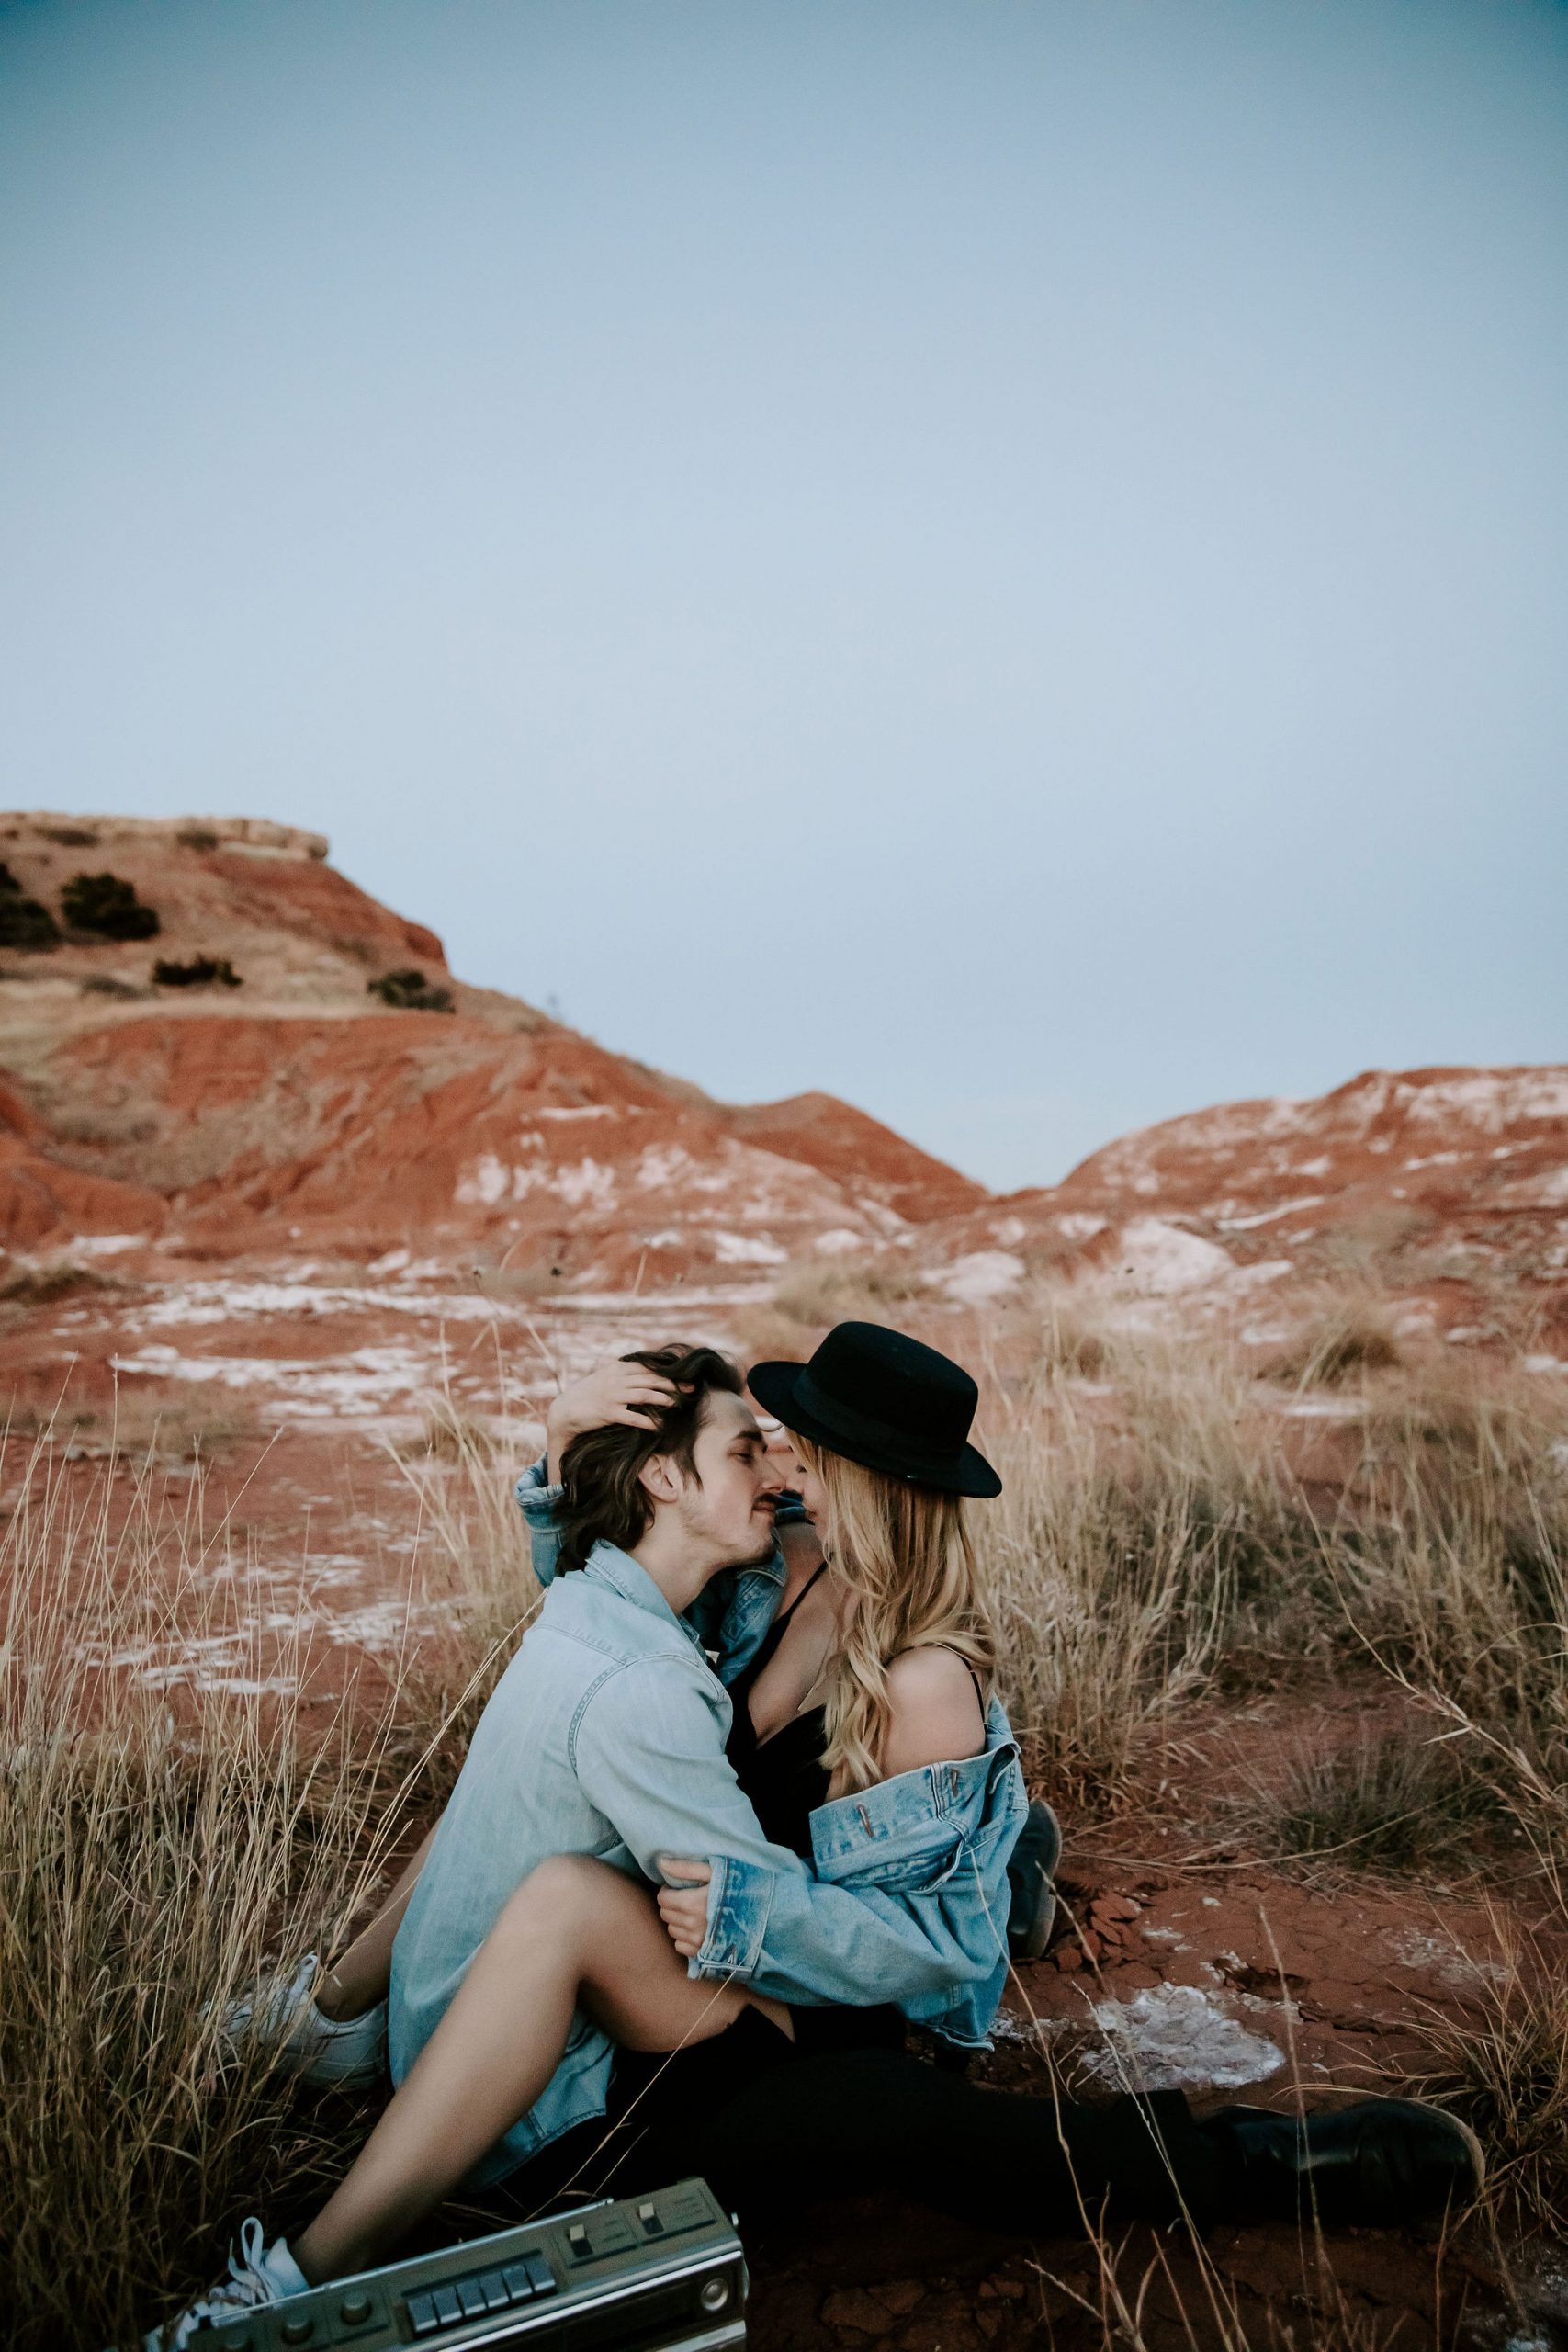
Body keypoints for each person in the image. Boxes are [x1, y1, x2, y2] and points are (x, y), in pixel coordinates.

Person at [143, 1328, 1482, 2349]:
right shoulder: (767, 1561)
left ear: (858, 1477)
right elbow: (598, 1643)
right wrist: (558, 1455)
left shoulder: (924, 1680)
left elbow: (923, 1953)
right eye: (769, 1439)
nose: (776, 1457)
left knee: (903, 2120)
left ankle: (1281, 2159)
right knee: (521, 1792)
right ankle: (332, 2025)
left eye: (797, 1444)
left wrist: (747, 1929)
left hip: (809, 1983)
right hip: (694, 1938)